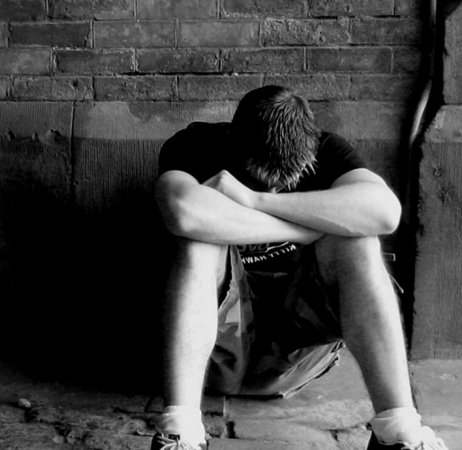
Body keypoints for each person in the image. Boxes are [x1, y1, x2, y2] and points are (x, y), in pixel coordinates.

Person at [151, 85, 448, 450]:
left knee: (359, 244)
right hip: (216, 351)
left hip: (294, 353)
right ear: (233, 145)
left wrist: (254, 199)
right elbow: (182, 212)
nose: (275, 190)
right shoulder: (198, 145)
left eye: (284, 185)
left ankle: (398, 431)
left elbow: (385, 212)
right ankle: (179, 431)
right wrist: (308, 229)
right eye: (260, 181)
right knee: (198, 243)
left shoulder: (326, 149)